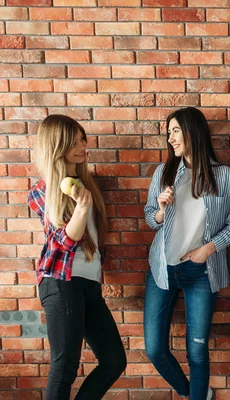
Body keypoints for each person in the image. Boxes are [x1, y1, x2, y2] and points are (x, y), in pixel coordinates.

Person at [143, 107, 230, 400]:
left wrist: (207, 250)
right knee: (155, 349)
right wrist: (160, 211)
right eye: (169, 132)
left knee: (197, 351)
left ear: (193, 132)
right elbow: (150, 218)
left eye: (176, 130)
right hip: (163, 269)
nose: (170, 137)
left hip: (202, 271)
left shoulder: (223, 176)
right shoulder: (164, 173)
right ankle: (194, 394)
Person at [27, 115, 126, 400]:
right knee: (64, 367)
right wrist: (81, 210)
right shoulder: (41, 191)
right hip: (60, 282)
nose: (83, 144)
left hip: (88, 285)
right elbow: (64, 241)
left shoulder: (85, 184)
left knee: (114, 361)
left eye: (83, 138)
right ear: (57, 144)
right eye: (75, 139)